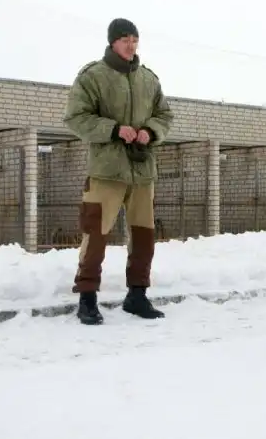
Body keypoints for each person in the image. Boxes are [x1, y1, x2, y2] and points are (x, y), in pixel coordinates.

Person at [63, 18, 174, 325]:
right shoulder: (93, 76)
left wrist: (150, 131)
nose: (131, 45)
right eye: (125, 39)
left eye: (134, 39)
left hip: (142, 170)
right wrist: (113, 129)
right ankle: (87, 298)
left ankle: (137, 295)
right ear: (112, 41)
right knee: (95, 234)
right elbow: (76, 117)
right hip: (106, 171)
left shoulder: (148, 79)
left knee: (143, 236)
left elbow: (164, 115)